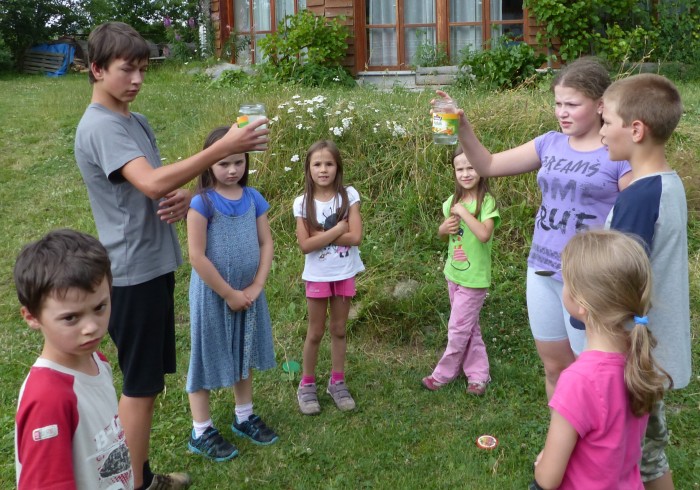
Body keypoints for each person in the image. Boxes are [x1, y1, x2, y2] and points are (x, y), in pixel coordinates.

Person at [74, 21, 268, 489]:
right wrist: (223, 147)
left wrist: (178, 199)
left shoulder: (133, 121)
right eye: (127, 70)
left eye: (143, 69)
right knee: (140, 386)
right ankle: (128, 483)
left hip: (155, 263)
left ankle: (140, 475)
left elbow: (154, 186)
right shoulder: (100, 126)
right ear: (97, 69)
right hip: (131, 272)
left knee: (149, 384)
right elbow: (153, 181)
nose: (137, 79)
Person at [438, 56, 632, 400]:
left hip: (590, 277)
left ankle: (596, 448)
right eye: (558, 103)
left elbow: (634, 219)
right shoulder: (549, 143)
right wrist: (462, 126)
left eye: (572, 104)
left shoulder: (617, 154)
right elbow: (489, 164)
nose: (562, 111)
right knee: (555, 368)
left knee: (592, 373)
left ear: (601, 104)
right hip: (542, 269)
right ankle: (562, 446)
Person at [600, 73, 689, 490]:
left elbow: (620, 282)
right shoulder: (668, 186)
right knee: (650, 455)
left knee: (636, 458)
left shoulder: (638, 196)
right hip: (651, 351)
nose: (601, 132)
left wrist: (587, 319)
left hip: (634, 355)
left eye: (607, 122)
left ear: (635, 130)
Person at [533, 229, 671, 490]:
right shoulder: (638, 360)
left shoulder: (578, 381)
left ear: (580, 302)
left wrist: (542, 463)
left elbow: (548, 479)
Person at [13, 229, 134, 489]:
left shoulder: (96, 361)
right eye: (71, 317)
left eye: (99, 307)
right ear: (32, 316)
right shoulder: (49, 398)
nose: (91, 327)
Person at [185, 126, 278, 462]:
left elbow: (266, 243)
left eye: (238, 162)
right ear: (210, 164)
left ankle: (244, 416)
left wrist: (255, 286)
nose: (232, 169)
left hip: (249, 294)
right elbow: (196, 256)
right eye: (223, 163)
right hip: (213, 296)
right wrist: (227, 293)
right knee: (206, 356)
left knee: (245, 350)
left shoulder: (253, 198)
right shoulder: (202, 203)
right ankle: (201, 429)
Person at [293, 140, 365, 415]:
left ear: (338, 167)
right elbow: (305, 245)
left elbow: (356, 237)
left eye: (329, 164)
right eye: (317, 164)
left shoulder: (349, 196)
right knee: (315, 331)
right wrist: (337, 230)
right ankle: (307, 384)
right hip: (317, 276)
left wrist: (319, 235)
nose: (323, 170)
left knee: (338, 329)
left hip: (344, 273)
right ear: (308, 168)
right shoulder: (302, 203)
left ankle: (337, 381)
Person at [421, 146, 500, 395]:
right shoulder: (451, 203)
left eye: (471, 167)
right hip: (453, 274)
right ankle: (478, 376)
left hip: (474, 279)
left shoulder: (486, 202)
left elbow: (484, 234)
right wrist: (443, 229)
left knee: (457, 328)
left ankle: (443, 373)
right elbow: (446, 238)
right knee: (468, 327)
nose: (465, 173)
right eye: (460, 168)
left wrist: (464, 213)